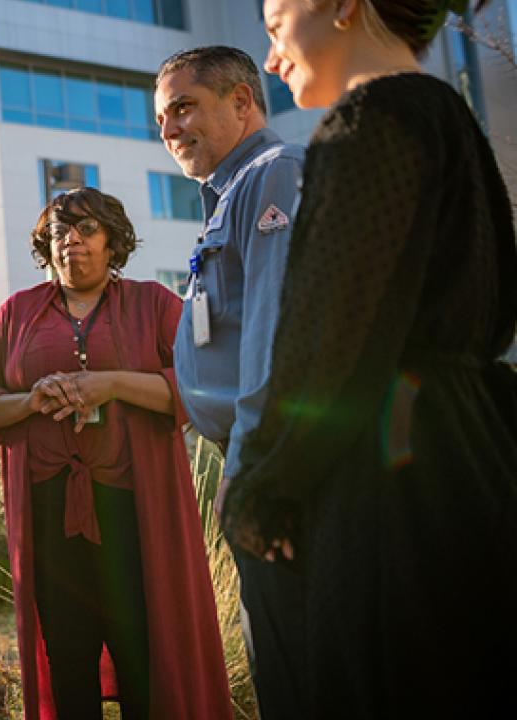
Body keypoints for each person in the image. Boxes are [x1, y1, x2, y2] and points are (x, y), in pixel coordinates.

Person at [221, 0, 517, 717]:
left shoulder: (367, 124)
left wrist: (260, 488)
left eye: (273, 21)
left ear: (344, 6)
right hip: (475, 461)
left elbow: (328, 338)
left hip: (391, 483)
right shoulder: (450, 120)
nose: (269, 55)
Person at [0, 187, 232, 720]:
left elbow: (201, 383)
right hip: (48, 515)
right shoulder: (14, 314)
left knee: (143, 655)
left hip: (136, 512)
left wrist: (111, 384)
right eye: (60, 233)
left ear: (113, 242)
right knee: (66, 658)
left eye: (87, 230)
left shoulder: (155, 303)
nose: (73, 243)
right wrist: (31, 401)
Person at [153, 46, 307, 719]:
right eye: (161, 118)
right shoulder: (226, 196)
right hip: (256, 460)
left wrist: (254, 475)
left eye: (183, 107)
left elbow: (278, 337)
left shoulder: (274, 175)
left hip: (275, 471)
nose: (169, 129)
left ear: (243, 100)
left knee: (296, 672)